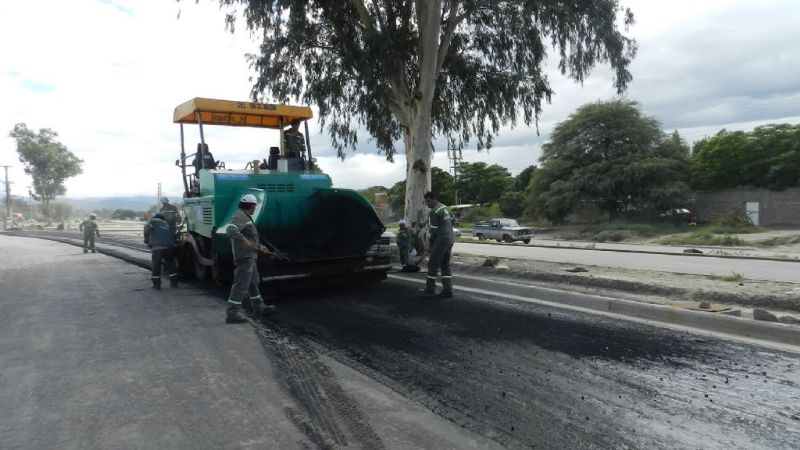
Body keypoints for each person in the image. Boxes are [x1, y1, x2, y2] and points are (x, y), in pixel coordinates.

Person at [225, 194, 276, 323]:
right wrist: (245, 242)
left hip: (250, 256)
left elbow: (250, 235)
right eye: (254, 205)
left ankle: (259, 306)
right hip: (245, 256)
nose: (255, 208)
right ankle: (232, 313)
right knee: (241, 284)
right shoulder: (240, 215)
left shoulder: (245, 216)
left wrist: (260, 246)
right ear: (251, 205)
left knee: (253, 282)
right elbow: (230, 230)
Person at [422, 191, 455, 298]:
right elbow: (453, 219)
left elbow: (434, 231)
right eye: (426, 201)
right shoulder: (445, 208)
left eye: (428, 201)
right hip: (450, 238)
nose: (427, 204)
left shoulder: (434, 212)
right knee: (445, 265)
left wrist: (431, 243)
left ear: (434, 199)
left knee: (433, 264)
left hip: (441, 240)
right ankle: (448, 290)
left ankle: (430, 289)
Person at [143, 213, 178, 289]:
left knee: (156, 265)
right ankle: (174, 283)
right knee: (171, 264)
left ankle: (156, 285)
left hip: (158, 247)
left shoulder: (153, 221)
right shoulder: (166, 224)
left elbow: (146, 227)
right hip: (170, 247)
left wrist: (146, 239)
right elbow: (173, 235)